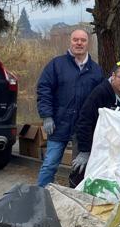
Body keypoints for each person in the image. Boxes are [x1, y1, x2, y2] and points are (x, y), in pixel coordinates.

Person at [36, 28, 103, 187]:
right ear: (70, 41)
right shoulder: (56, 65)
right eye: (75, 40)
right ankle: (40, 194)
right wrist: (46, 115)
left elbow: (100, 100)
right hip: (59, 123)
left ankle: (75, 196)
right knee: (49, 164)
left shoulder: (96, 70)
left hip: (82, 127)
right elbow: (44, 89)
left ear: (88, 43)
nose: (79, 43)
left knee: (80, 168)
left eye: (83, 40)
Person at [71, 63, 120, 174]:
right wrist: (85, 150)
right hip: (91, 139)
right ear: (113, 76)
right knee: (81, 171)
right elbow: (85, 121)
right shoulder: (100, 92)